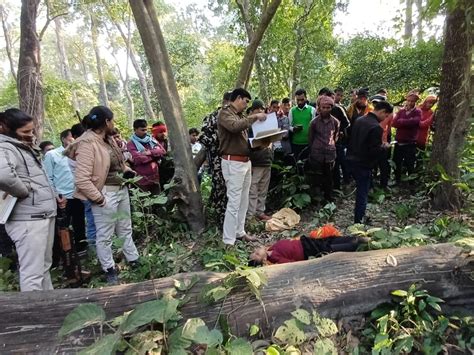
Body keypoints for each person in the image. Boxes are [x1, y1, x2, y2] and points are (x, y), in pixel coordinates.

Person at [65, 106, 139, 284]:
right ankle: (109, 268)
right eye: (112, 120)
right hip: (104, 193)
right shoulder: (87, 143)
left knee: (125, 227)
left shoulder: (109, 139)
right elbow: (82, 179)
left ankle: (133, 259)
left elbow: (118, 163)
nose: (114, 124)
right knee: (105, 234)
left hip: (120, 189)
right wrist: (99, 198)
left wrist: (127, 171)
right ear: (106, 122)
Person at [0, 108, 56, 291]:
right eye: (25, 132)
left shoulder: (22, 147)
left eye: (32, 130)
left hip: (41, 214)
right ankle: (33, 317)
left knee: (44, 267)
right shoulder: (5, 147)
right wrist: (23, 191)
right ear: (6, 129)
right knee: (32, 272)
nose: (30, 135)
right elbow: (4, 176)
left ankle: (49, 309)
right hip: (28, 219)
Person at [218, 88, 267, 245]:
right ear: (238, 98)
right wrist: (254, 117)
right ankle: (228, 241)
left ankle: (240, 232)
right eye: (246, 102)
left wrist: (261, 143)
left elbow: (244, 142)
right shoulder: (225, 113)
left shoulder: (240, 116)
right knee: (234, 202)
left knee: (243, 201)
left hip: (245, 162)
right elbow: (234, 127)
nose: (246, 105)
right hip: (233, 163)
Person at [347, 101, 394, 224]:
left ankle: (359, 217)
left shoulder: (359, 120)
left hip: (352, 159)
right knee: (362, 194)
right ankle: (359, 221)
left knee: (360, 191)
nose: (385, 119)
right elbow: (373, 151)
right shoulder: (375, 127)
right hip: (363, 163)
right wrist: (384, 147)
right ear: (382, 111)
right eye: (386, 116)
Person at [44, 129, 87, 262]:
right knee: (63, 227)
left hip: (78, 194)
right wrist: (56, 195)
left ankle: (81, 250)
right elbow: (48, 177)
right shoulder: (52, 155)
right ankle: (63, 256)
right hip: (63, 197)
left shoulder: (79, 153)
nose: (72, 142)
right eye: (70, 139)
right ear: (63, 139)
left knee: (79, 223)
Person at [199, 92, 231, 227]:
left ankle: (230, 221)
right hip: (218, 160)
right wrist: (219, 137)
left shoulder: (235, 116)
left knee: (232, 192)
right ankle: (221, 221)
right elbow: (203, 138)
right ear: (226, 101)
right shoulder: (213, 117)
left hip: (233, 159)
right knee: (220, 190)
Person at [249, 234, 368, 265]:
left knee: (330, 239)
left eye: (254, 252)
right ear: (263, 259)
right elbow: (290, 264)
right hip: (307, 250)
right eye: (256, 254)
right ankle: (357, 245)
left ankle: (356, 239)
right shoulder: (274, 258)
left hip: (305, 242)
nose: (255, 251)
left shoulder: (271, 248)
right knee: (330, 248)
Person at [308, 95, 340, 202]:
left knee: (329, 177)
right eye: (323, 107)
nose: (326, 110)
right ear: (319, 108)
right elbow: (311, 138)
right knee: (316, 177)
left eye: (328, 108)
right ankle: (316, 198)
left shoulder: (335, 122)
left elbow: (335, 137)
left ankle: (328, 196)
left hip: (330, 154)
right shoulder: (314, 122)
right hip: (317, 154)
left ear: (331, 108)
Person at [69, 122, 96, 247]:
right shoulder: (75, 150)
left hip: (93, 187)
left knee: (96, 220)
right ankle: (93, 248)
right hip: (87, 189)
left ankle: (96, 247)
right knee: (92, 220)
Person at [247, 99, 273, 221]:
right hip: (255, 162)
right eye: (258, 110)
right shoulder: (248, 125)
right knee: (253, 189)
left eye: (263, 110)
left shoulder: (268, 123)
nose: (261, 112)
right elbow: (247, 145)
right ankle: (251, 215)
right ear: (252, 111)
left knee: (263, 188)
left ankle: (260, 211)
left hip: (266, 160)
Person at [127, 119, 166, 195]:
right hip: (141, 180)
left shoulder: (151, 140)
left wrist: (149, 152)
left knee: (158, 203)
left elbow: (162, 151)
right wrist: (155, 156)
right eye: (142, 130)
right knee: (144, 204)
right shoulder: (131, 144)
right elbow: (138, 159)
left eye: (146, 130)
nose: (145, 132)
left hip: (155, 178)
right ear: (135, 130)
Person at [392, 91, 422, 184]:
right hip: (399, 141)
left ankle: (411, 183)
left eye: (412, 101)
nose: (409, 103)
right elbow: (394, 123)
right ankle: (397, 181)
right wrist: (406, 121)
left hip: (410, 142)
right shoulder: (401, 111)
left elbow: (415, 122)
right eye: (408, 100)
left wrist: (402, 122)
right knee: (397, 163)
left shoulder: (417, 111)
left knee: (410, 164)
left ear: (415, 102)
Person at [332, 87, 351, 189]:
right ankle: (335, 185)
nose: (338, 97)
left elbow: (347, 123)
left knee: (342, 160)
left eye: (340, 95)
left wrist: (340, 131)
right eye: (337, 94)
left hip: (339, 140)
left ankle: (346, 181)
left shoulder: (340, 108)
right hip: (328, 141)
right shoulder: (323, 107)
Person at [288, 88, 316, 160]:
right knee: (297, 165)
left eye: (302, 100)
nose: (300, 102)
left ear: (306, 98)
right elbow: (289, 126)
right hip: (296, 143)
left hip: (308, 143)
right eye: (298, 100)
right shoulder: (292, 110)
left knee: (307, 166)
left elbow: (315, 126)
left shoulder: (312, 110)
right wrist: (293, 129)